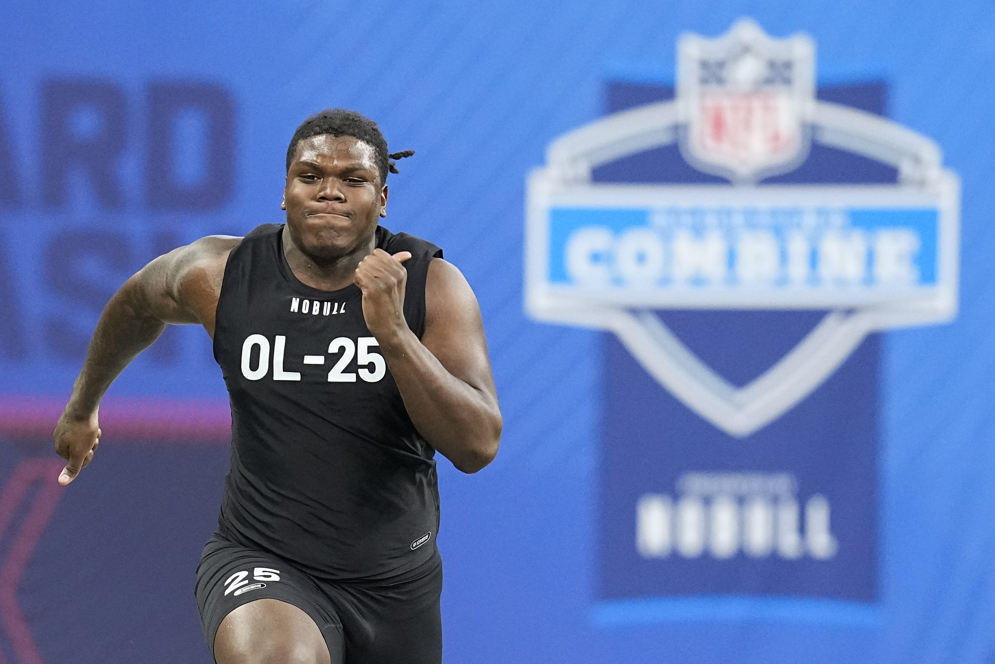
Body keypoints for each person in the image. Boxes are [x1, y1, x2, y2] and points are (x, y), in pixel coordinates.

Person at [52, 109, 503, 664]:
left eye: (353, 180)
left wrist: (393, 332)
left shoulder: (430, 286)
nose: (329, 193)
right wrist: (83, 406)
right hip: (261, 560)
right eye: (310, 176)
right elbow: (137, 304)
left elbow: (477, 446)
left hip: (394, 586)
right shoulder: (221, 274)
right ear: (284, 193)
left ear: (382, 199)